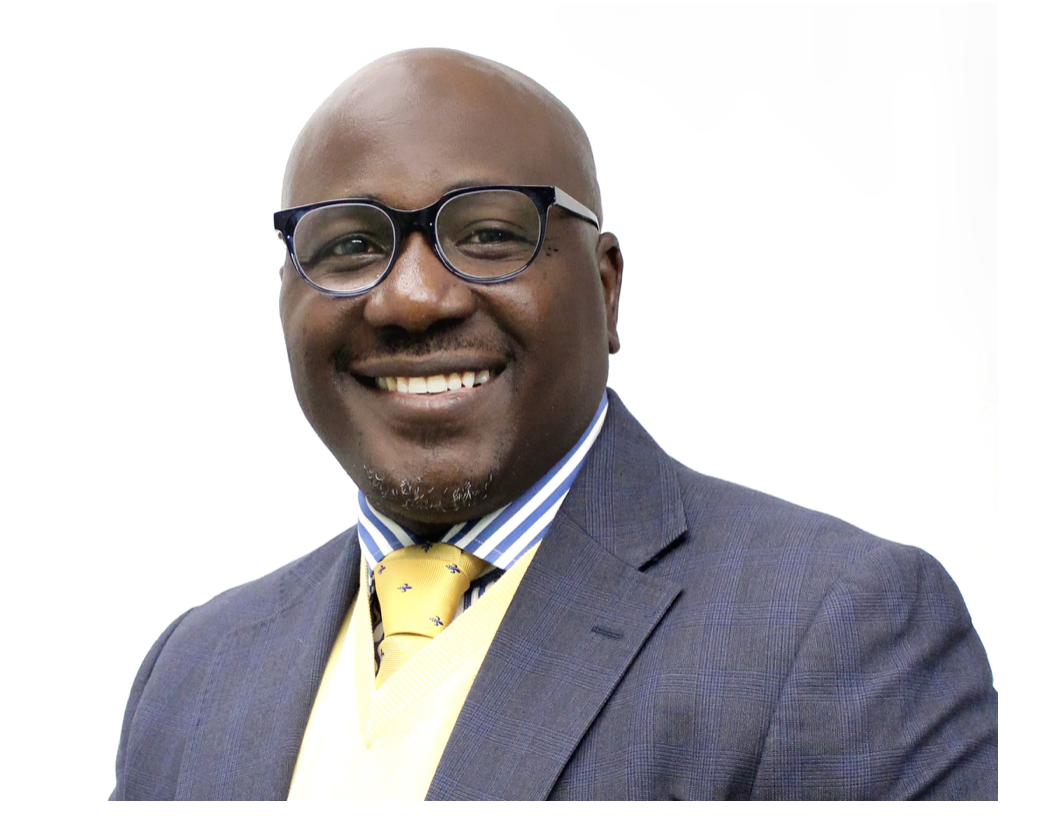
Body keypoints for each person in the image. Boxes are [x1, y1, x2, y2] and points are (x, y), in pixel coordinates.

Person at [110, 48, 998, 801]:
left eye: (488, 234)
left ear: (606, 288)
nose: (412, 299)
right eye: (349, 245)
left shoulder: (840, 630)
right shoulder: (192, 676)